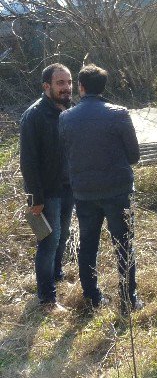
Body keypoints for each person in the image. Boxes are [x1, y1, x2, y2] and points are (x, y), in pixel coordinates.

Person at [58, 64, 141, 313]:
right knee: (124, 244)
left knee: (88, 242)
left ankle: (92, 296)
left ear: (81, 87)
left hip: (84, 192)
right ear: (104, 87)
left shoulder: (66, 117)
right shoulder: (118, 113)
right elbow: (134, 155)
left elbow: (67, 153)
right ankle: (128, 298)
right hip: (118, 190)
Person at [19, 63, 75, 314]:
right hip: (47, 192)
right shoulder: (34, 115)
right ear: (46, 86)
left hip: (69, 187)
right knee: (49, 242)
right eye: (60, 83)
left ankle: (55, 275)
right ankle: (47, 299)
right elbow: (28, 160)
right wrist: (35, 198)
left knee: (62, 236)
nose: (66, 88)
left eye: (69, 82)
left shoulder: (71, 110)